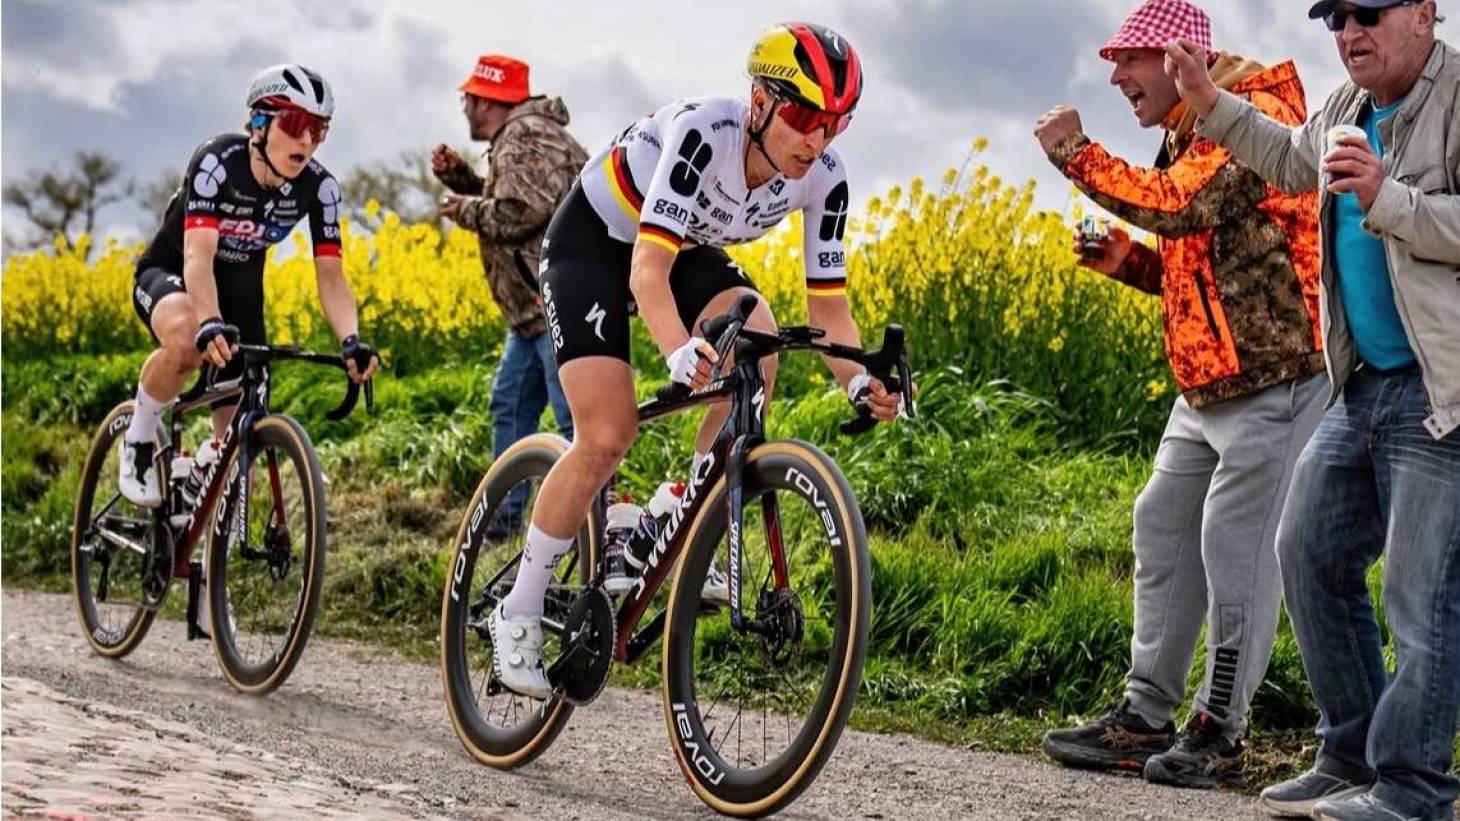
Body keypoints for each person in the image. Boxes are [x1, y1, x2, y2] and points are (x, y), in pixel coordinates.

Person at [486, 22, 905, 699]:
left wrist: (861, 380)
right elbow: (646, 270)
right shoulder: (706, 133)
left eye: (836, 123)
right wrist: (677, 347)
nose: (816, 140)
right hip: (596, 242)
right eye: (802, 115)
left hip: (681, 246)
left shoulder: (825, 176)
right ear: (760, 101)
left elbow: (829, 307)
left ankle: (673, 507)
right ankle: (520, 608)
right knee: (606, 433)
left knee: (757, 332)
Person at [1166, 1, 1459, 816]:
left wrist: (1389, 196)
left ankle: (1413, 787)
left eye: (1369, 12)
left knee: (1420, 593)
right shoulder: (1345, 107)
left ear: (1427, 13)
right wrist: (1206, 102)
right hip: (1362, 383)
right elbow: (1287, 159)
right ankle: (1351, 755)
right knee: (1308, 552)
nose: (1350, 32)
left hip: (1442, 396)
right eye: (1336, 18)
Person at [1032, 0, 1327, 789]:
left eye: (1127, 60)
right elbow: (1203, 263)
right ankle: (1144, 715)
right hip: (1206, 385)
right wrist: (1129, 262)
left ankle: (1219, 730)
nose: (1116, 77)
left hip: (1279, 377)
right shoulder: (1181, 136)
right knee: (1162, 523)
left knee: (1237, 548)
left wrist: (1076, 154)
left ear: (1175, 58)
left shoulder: (1253, 114)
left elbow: (1181, 205)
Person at [120, 64, 377, 507]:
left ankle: (201, 481)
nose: (307, 141)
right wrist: (209, 321)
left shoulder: (321, 188)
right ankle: (139, 440)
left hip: (240, 292)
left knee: (238, 468)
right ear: (259, 123)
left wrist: (350, 340)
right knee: (185, 342)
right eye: (296, 124)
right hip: (173, 272)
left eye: (319, 129)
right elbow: (197, 257)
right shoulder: (217, 162)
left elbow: (331, 278)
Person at [432, 55, 584, 539]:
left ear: (489, 101)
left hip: (554, 303)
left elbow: (523, 210)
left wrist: (464, 209)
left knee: (573, 424)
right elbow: (518, 196)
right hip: (534, 310)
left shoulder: (524, 136)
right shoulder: (522, 136)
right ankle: (501, 524)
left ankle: (589, 526)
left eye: (468, 99)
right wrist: (463, 182)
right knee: (509, 406)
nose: (464, 109)